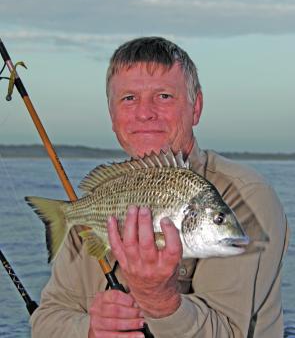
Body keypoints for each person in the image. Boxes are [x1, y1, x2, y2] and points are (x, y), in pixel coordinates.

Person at [30, 36, 289, 338]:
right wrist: (88, 330)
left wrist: (159, 298)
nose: (144, 112)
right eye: (129, 98)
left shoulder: (246, 197)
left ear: (196, 107)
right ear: (112, 115)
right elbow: (46, 321)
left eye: (164, 96)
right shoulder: (101, 201)